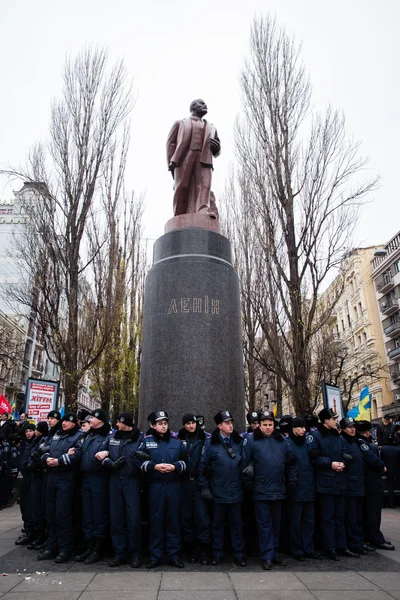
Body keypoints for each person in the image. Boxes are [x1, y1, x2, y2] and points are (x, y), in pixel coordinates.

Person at [241, 411, 298, 570]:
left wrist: (291, 480)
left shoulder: (282, 441)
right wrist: (248, 479)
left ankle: (275, 553)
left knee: (276, 524)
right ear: (258, 425)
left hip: (278, 489)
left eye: (270, 425)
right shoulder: (251, 440)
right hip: (260, 490)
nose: (267, 428)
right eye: (264, 425)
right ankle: (266, 556)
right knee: (264, 525)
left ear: (274, 425)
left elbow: (292, 461)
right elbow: (244, 462)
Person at [137, 410, 187, 569]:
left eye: (165, 423)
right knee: (156, 521)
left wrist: (175, 467)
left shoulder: (177, 442)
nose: (163, 426)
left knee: (173, 521)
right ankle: (155, 556)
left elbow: (186, 462)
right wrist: (154, 467)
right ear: (153, 425)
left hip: (173, 486)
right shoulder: (146, 442)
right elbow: (138, 462)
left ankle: (173, 555)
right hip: (155, 486)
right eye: (160, 424)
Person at [308, 408, 357, 560]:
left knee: (340, 517)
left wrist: (343, 462)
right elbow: (314, 457)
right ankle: (330, 548)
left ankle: (342, 546)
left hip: (339, 481)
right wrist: (331, 464)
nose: (335, 420)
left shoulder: (337, 436)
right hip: (325, 483)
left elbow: (343, 452)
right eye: (333, 418)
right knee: (328, 518)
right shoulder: (315, 436)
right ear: (325, 420)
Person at [199, 410, 246, 567]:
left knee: (237, 525)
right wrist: (204, 487)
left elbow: (245, 462)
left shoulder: (239, 442)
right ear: (219, 426)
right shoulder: (210, 444)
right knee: (217, 525)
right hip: (218, 491)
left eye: (231, 422)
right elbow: (203, 467)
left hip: (236, 491)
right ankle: (217, 553)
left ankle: (238, 554)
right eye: (226, 423)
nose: (230, 425)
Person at [96, 411, 143, 568]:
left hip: (133, 481)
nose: (117, 424)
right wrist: (110, 463)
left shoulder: (139, 438)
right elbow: (100, 456)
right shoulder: (112, 437)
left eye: (120, 422)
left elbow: (146, 456)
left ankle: (135, 553)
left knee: (134, 519)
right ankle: (119, 553)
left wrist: (142, 459)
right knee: (117, 519)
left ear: (126, 423)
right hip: (115, 480)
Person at [38, 412, 83, 563]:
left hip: (66, 479)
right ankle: (52, 547)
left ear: (75, 423)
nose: (64, 423)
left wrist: (59, 461)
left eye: (67, 422)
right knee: (50, 514)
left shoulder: (79, 436)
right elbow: (44, 450)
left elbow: (76, 456)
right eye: (63, 421)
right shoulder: (57, 435)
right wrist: (47, 459)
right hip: (52, 477)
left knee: (62, 514)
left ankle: (65, 549)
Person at [167, 99, 221, 217]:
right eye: (201, 103)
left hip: (205, 159)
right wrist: (171, 164)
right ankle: (179, 214)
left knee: (204, 185)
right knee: (182, 186)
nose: (205, 105)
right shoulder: (180, 123)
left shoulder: (212, 127)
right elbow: (170, 143)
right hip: (185, 157)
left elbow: (218, 149)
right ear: (192, 107)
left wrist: (217, 149)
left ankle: (203, 210)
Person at [75, 408, 111, 564]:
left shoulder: (107, 438)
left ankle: (97, 548)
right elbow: (81, 452)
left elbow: (114, 452)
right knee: (87, 514)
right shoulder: (88, 436)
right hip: (86, 478)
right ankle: (89, 546)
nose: (89, 420)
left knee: (98, 514)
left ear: (101, 421)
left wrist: (108, 453)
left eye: (92, 418)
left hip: (99, 479)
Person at [285, 417, 321, 561]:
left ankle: (309, 548)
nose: (303, 430)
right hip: (296, 488)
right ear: (294, 429)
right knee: (295, 522)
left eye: (304, 428)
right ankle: (297, 549)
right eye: (300, 428)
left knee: (309, 521)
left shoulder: (308, 442)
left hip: (308, 486)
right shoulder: (287, 443)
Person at [355, 420, 395, 551]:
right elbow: (376, 461)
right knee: (374, 513)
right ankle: (376, 539)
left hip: (363, 484)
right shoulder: (365, 445)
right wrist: (382, 466)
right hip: (372, 484)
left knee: (367, 513)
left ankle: (369, 536)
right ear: (367, 432)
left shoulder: (356, 443)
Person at [177, 413, 211, 565]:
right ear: (184, 425)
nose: (191, 426)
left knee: (202, 518)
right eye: (188, 423)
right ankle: (191, 549)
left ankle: (203, 549)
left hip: (198, 483)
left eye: (193, 423)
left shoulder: (204, 439)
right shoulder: (178, 440)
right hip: (183, 483)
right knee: (186, 518)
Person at [340, 416, 366, 556]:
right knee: (351, 517)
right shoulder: (343, 441)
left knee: (358, 516)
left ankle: (359, 541)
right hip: (350, 486)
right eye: (349, 427)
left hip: (358, 485)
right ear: (344, 429)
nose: (352, 429)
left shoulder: (355, 441)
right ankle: (354, 543)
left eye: (353, 427)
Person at [25, 421, 49, 550]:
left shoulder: (44, 440)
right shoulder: (36, 441)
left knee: (39, 506)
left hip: (40, 477)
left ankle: (40, 534)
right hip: (34, 476)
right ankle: (34, 532)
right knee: (32, 505)